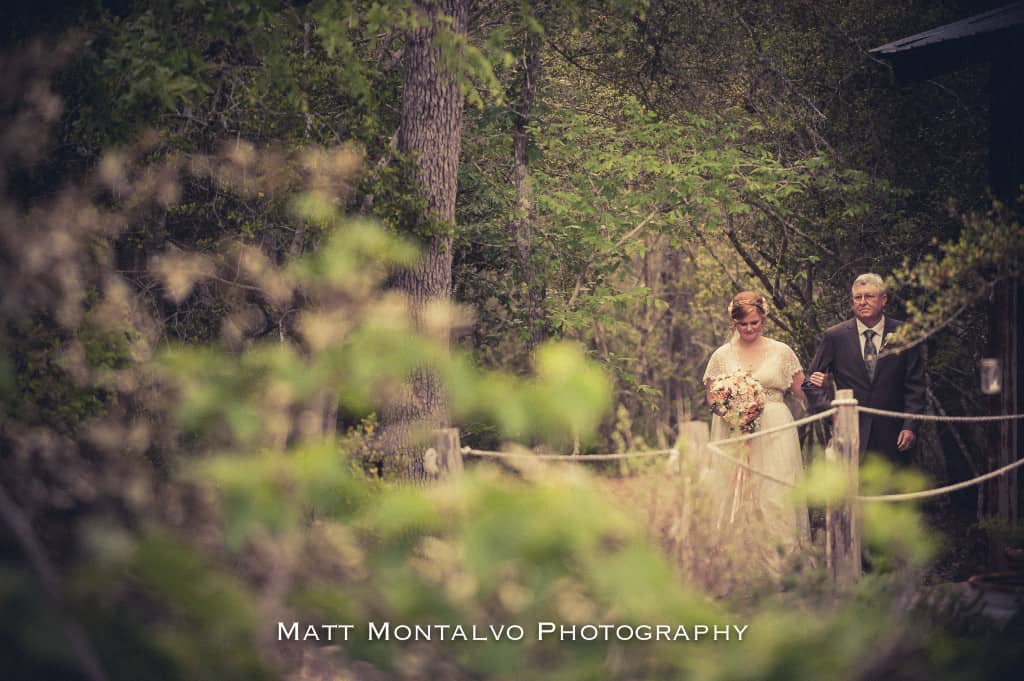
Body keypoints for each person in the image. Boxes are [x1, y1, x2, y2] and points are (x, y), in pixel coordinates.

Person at [702, 291, 810, 579]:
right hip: (734, 431)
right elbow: (712, 398)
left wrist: (825, 399)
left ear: (763, 318)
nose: (749, 329)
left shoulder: (782, 351)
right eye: (743, 324)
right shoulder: (721, 356)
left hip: (775, 429)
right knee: (736, 495)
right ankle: (738, 569)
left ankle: (782, 568)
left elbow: (802, 391)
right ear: (733, 323)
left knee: (775, 493)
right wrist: (732, 411)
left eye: (754, 323)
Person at [803, 273, 926, 464]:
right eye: (857, 297)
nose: (862, 302)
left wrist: (910, 426)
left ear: (883, 299)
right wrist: (832, 414)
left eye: (869, 296)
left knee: (893, 491)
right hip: (850, 433)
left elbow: (916, 385)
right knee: (853, 492)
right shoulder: (835, 336)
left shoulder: (904, 334)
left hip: (893, 434)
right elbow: (809, 382)